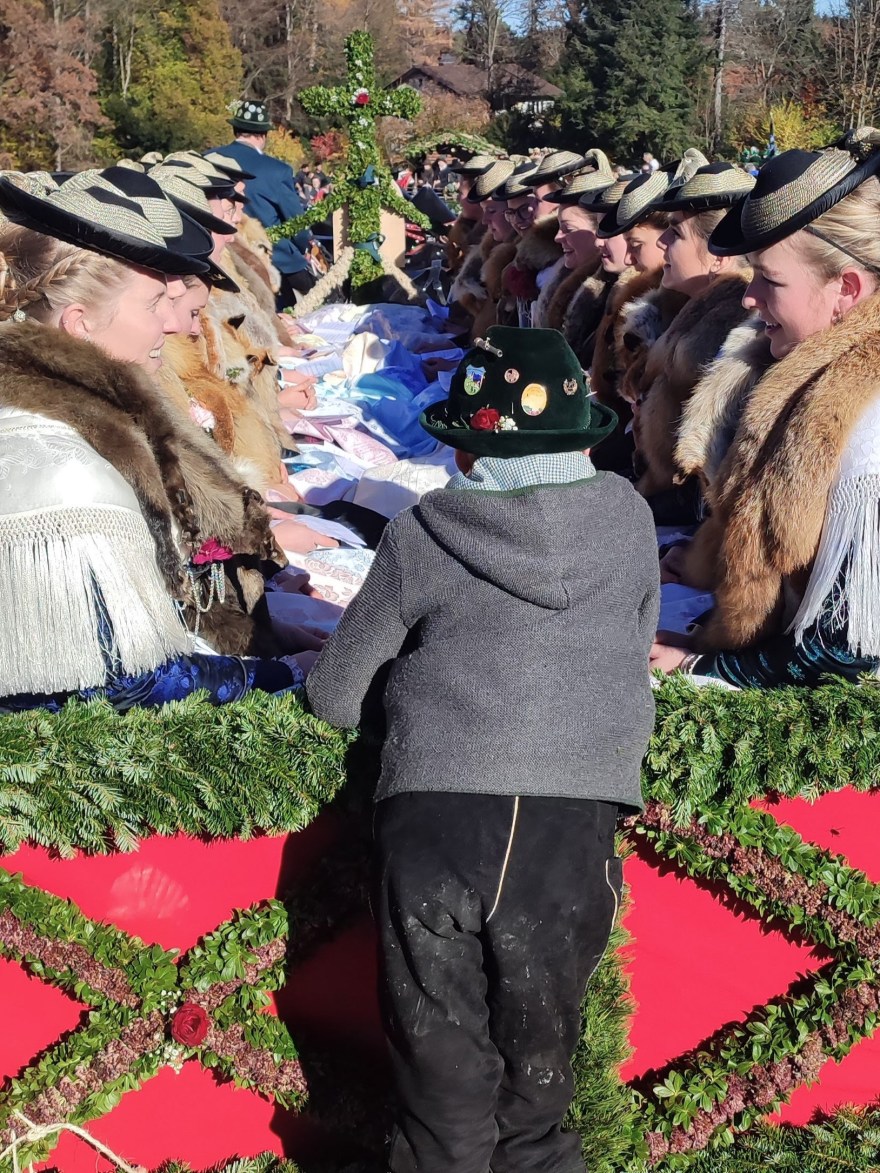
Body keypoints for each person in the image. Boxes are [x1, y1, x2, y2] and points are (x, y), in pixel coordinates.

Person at [306, 325, 659, 1173]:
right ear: (582, 440)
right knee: (538, 1095)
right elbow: (635, 644)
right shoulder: (628, 518)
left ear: (467, 449)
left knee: (442, 1093)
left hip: (437, 822)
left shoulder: (423, 531)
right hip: (570, 831)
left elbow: (334, 697)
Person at [0, 167, 314, 711]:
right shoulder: (60, 464)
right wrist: (279, 676)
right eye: (152, 305)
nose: (171, 325)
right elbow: (124, 684)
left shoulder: (86, 414)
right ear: (80, 323)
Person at [652, 129, 880, 687]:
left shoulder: (867, 427)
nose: (750, 298)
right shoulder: (800, 375)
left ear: (846, 290)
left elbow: (846, 651)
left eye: (770, 280)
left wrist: (698, 667)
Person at [620, 161, 755, 509]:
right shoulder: (686, 309)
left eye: (676, 233)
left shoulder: (733, 334)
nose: (662, 240)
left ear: (718, 255)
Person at [210, 99, 316, 306]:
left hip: (218, 253)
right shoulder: (277, 170)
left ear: (235, 130)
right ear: (262, 135)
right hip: (274, 258)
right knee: (313, 302)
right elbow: (297, 223)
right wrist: (301, 246)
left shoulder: (208, 159)